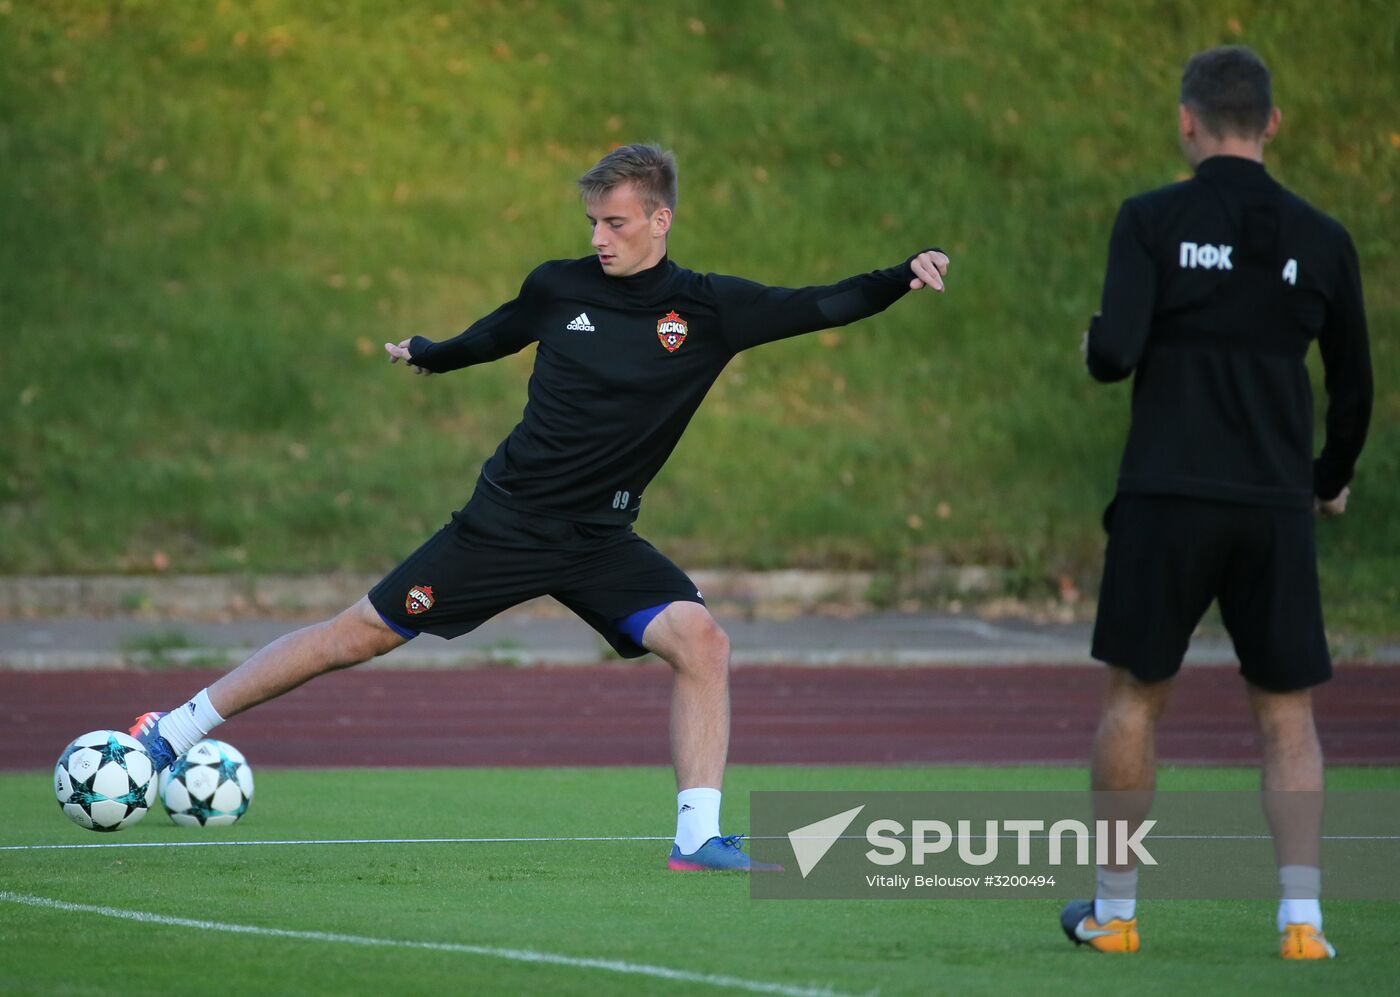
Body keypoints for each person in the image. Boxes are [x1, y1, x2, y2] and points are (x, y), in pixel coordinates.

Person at [128, 143, 951, 871]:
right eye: (594, 219)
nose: (599, 236)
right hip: (505, 525)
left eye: (617, 222)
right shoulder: (559, 286)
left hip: (600, 539)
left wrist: (901, 275)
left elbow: (819, 304)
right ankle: (176, 728)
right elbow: (495, 333)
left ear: (661, 219)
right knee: (358, 635)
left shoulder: (709, 309)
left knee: (702, 639)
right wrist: (430, 355)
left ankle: (698, 837)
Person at [1060, 46, 1372, 956]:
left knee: (1134, 700)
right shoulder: (1322, 238)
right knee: (1287, 715)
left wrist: (1092, 351)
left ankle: (1116, 914)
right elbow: (1354, 389)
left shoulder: (1153, 219)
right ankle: (1303, 923)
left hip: (1167, 497)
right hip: (1272, 504)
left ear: (1187, 121)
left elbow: (1115, 351)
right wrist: (1322, 477)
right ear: (1271, 123)